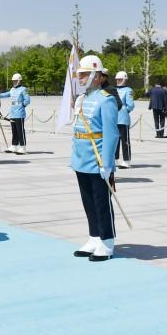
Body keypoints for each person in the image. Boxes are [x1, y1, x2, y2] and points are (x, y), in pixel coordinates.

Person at [70, 55, 120, 262]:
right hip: (81, 158)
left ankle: (107, 241)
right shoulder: (82, 99)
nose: (80, 78)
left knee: (101, 203)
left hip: (98, 158)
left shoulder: (106, 100)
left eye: (84, 75)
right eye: (79, 75)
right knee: (88, 201)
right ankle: (94, 237)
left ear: (98, 76)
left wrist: (107, 163)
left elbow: (112, 133)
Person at [0, 73, 31, 154]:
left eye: (15, 81)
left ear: (19, 81)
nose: (14, 82)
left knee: (20, 130)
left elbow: (27, 100)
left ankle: (23, 147)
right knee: (14, 130)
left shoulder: (23, 89)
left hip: (19, 113)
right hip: (13, 112)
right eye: (13, 81)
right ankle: (14, 146)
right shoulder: (12, 89)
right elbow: (6, 94)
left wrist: (22, 105)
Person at [114, 71, 135, 168]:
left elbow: (131, 105)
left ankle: (127, 160)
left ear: (125, 80)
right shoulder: (113, 89)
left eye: (120, 79)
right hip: (113, 118)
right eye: (117, 79)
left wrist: (124, 111)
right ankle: (115, 159)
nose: (118, 81)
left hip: (123, 119)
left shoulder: (128, 90)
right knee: (115, 140)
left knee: (125, 140)